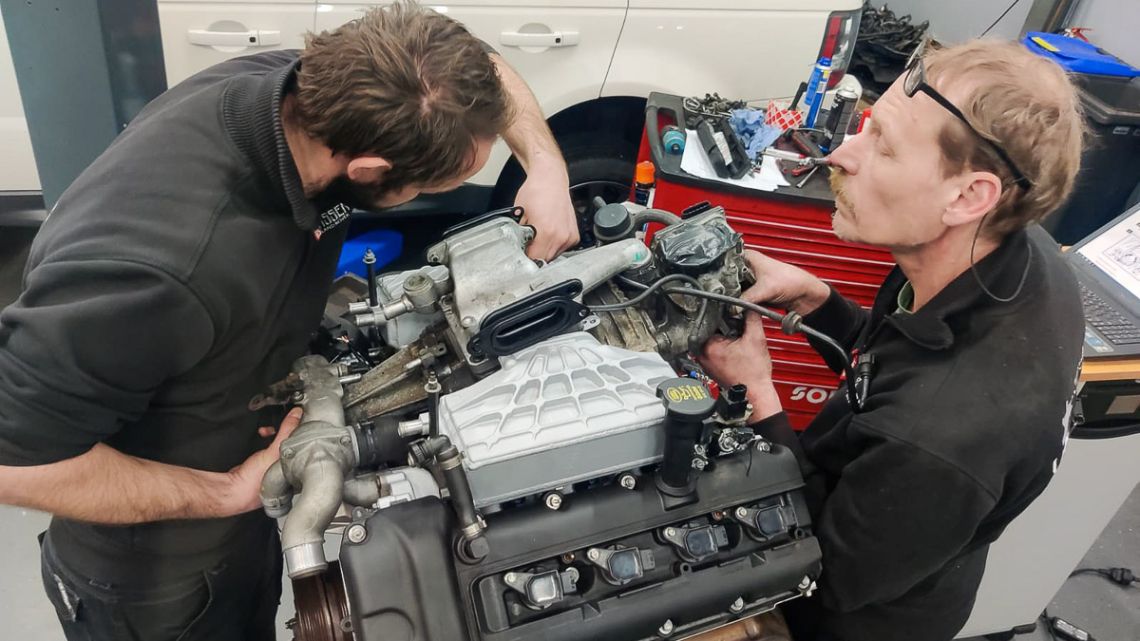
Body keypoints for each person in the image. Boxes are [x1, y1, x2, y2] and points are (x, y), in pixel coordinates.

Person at [0, 3, 576, 640]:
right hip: (159, 576)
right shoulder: (159, 270)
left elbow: (482, 66)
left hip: (244, 505)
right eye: (443, 183)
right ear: (369, 172)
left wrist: (545, 166)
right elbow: (14, 461)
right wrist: (222, 494)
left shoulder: (315, 88)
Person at [699, 39, 1086, 641]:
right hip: (898, 524)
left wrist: (755, 396)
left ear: (968, 196)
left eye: (884, 145)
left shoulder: (943, 438)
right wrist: (820, 304)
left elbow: (822, 574)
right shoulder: (1014, 255)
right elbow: (900, 366)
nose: (843, 152)